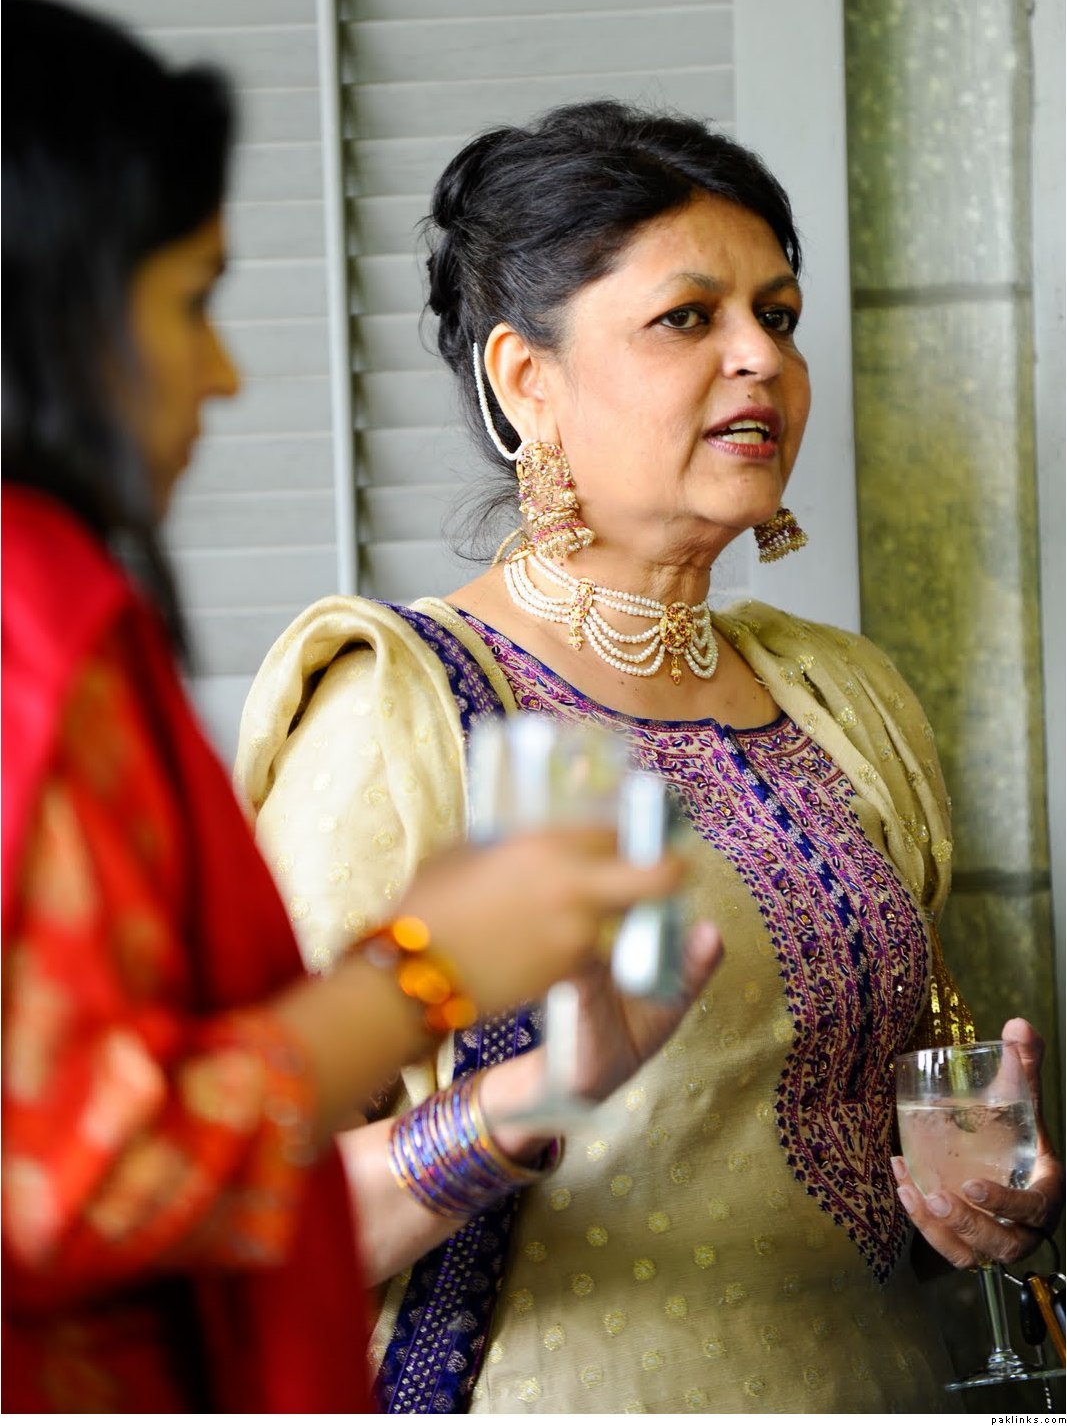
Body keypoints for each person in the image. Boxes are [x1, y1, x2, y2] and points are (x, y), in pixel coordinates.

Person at [236, 103, 1063, 1413]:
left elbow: (893, 1121)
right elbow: (242, 1217)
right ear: (527, 379)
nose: (763, 358)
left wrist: (980, 1201)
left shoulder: (841, 697)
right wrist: (525, 1104)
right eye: (688, 317)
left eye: (779, 316)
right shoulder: (406, 710)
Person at [0, 0, 712, 1415]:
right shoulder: (69, 636)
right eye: (191, 301)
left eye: (779, 316)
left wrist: (539, 1081)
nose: (225, 373)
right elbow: (83, 1166)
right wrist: (425, 975)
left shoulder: (842, 698)